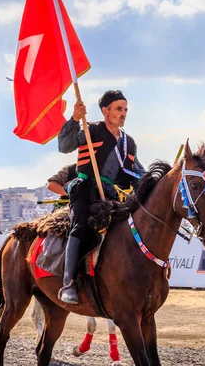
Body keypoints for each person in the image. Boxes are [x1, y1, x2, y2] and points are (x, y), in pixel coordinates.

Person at [57, 90, 145, 304]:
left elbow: (137, 173)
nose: (123, 113)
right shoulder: (91, 130)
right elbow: (64, 146)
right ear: (105, 111)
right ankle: (68, 284)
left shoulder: (129, 142)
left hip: (111, 194)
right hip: (85, 189)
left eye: (125, 109)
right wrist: (75, 118)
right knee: (80, 228)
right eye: (118, 109)